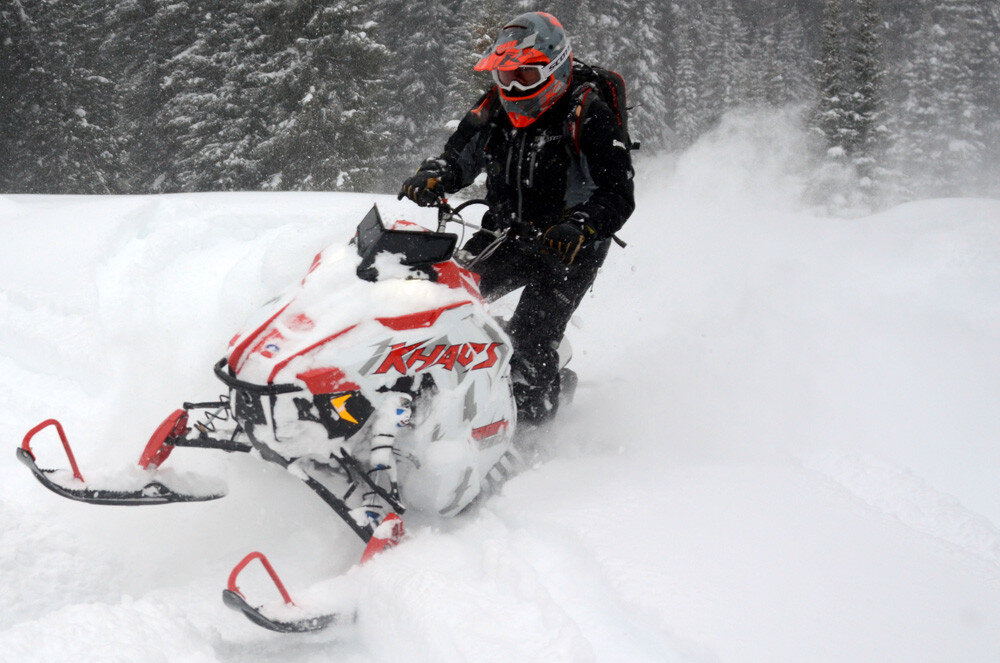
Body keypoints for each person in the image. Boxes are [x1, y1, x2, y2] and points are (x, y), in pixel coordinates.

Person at [398, 11, 635, 424]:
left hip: (568, 250)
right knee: (440, 302)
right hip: (502, 233)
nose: (511, 87)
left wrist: (581, 225)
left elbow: (618, 192)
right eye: (504, 77)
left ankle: (531, 432)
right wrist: (437, 174)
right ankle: (421, 397)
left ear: (555, 68)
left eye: (523, 77)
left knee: (531, 341)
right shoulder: (494, 107)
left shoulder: (588, 113)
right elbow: (460, 154)